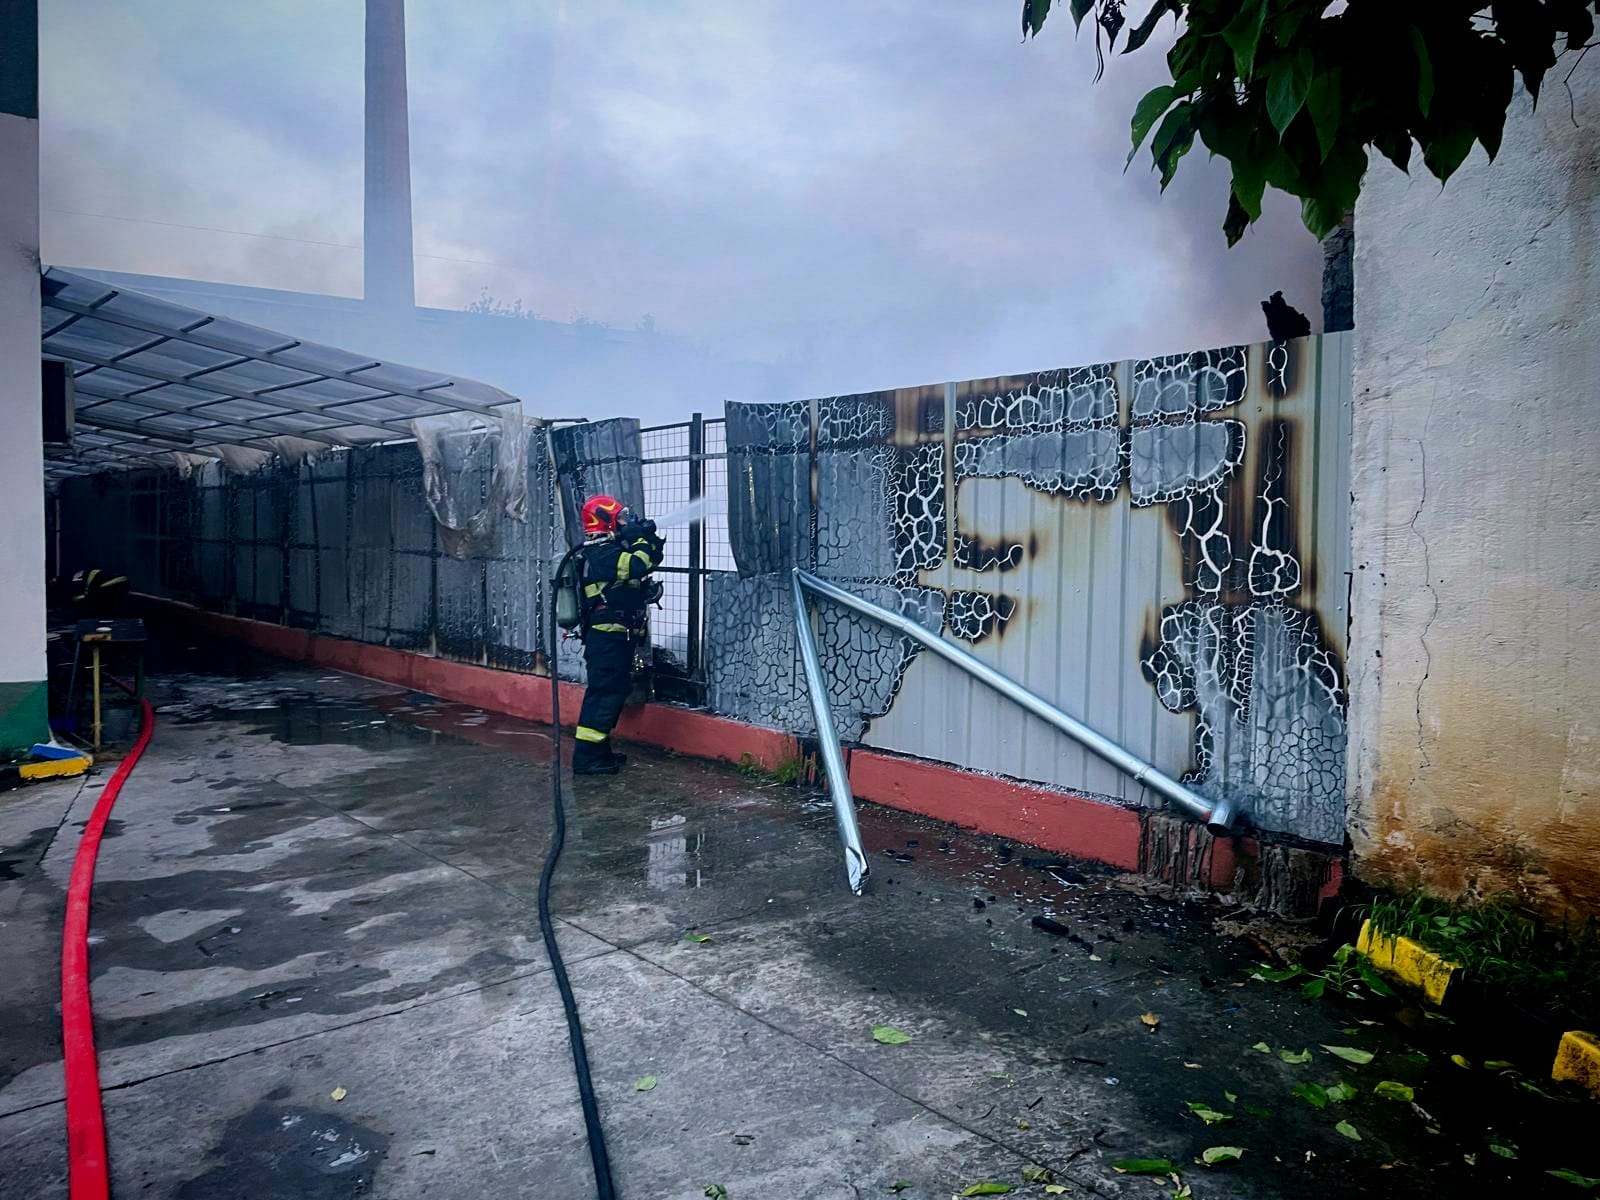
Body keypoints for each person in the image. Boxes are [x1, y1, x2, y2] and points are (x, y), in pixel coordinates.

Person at [571, 494, 665, 776]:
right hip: (606, 638)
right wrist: (638, 538)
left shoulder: (612, 549)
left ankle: (600, 752)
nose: (626, 522)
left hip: (617, 636)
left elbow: (651, 559)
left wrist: (648, 537)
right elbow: (637, 565)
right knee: (604, 694)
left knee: (613, 693)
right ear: (606, 521)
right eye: (620, 518)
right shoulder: (601, 553)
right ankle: (586, 759)